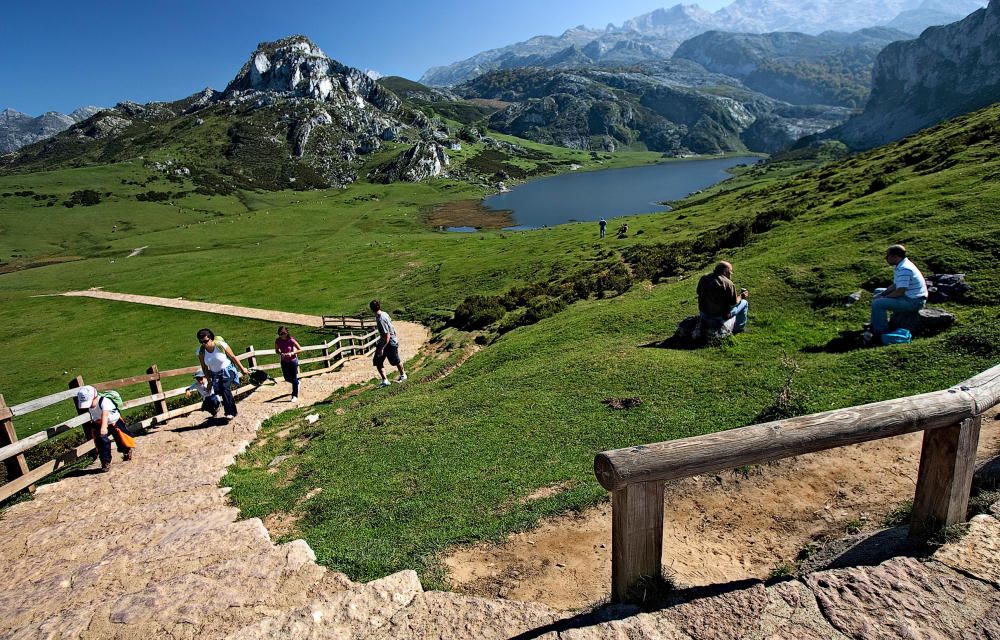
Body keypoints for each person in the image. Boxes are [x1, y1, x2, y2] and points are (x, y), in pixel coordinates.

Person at [869, 244, 927, 336]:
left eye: (887, 256)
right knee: (878, 291)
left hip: (914, 301)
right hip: (910, 296)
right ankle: (875, 323)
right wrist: (882, 293)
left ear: (895, 256)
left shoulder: (904, 269)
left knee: (878, 303)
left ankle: (880, 331)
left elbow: (900, 291)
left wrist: (884, 297)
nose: (886, 258)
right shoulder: (900, 265)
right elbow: (896, 285)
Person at [76, 385, 135, 472]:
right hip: (99, 423)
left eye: (89, 402)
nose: (89, 406)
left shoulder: (104, 401)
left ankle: (126, 451)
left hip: (114, 422)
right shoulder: (91, 405)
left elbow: (105, 414)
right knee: (101, 442)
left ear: (95, 397)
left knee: (121, 439)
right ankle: (105, 462)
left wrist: (104, 427)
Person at [196, 328, 250, 420]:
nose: (204, 344)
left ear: (211, 338)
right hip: (215, 374)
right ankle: (233, 411)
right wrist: (209, 381)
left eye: (205, 341)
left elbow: (233, 357)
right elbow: (204, 367)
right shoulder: (201, 351)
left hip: (228, 370)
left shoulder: (220, 345)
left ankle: (229, 412)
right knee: (220, 390)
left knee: (225, 388)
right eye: (201, 342)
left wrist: (242, 368)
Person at [696, 260, 749, 334]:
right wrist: (741, 296)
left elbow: (698, 292)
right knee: (744, 303)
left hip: (704, 313)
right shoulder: (728, 283)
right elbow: (733, 303)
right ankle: (738, 328)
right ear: (725, 272)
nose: (731, 274)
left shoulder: (704, 278)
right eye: (730, 272)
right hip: (720, 316)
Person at [369, 299, 406, 387]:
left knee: (395, 361)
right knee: (378, 360)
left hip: (389, 342)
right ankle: (386, 380)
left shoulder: (380, 319)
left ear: (371, 309)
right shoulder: (384, 314)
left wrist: (382, 348)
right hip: (390, 340)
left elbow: (387, 335)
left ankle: (402, 376)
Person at [274, 326, 302, 402]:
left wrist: (292, 353)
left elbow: (300, 349)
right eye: (280, 334)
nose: (282, 335)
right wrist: (281, 353)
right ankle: (297, 383)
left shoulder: (291, 340)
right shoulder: (277, 341)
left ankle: (294, 395)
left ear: (286, 333)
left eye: (284, 333)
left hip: (292, 361)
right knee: (286, 378)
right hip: (284, 361)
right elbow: (276, 350)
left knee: (293, 377)